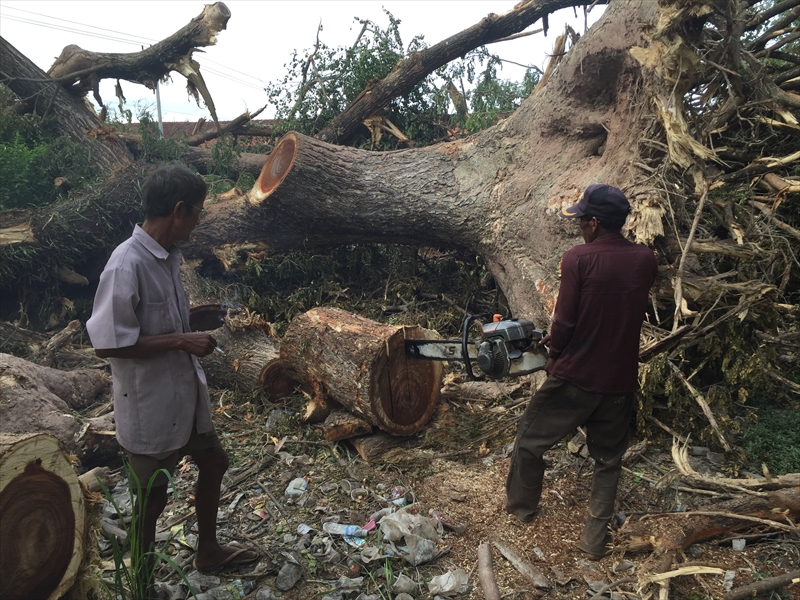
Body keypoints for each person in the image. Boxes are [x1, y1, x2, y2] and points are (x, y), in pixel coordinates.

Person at [86, 162, 259, 584]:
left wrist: (197, 320)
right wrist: (182, 341)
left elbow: (158, 321)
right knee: (151, 499)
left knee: (214, 462)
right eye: (198, 211)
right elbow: (107, 342)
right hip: (150, 405)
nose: (200, 220)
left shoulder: (169, 256)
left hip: (184, 394)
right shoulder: (126, 264)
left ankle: (208, 551)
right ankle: (142, 583)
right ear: (178, 210)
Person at [505, 184, 658, 558]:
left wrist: (554, 355)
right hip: (620, 379)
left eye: (581, 220)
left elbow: (566, 320)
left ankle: (521, 509)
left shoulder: (578, 258)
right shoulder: (645, 259)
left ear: (594, 222)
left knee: (529, 441)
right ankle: (593, 542)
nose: (578, 227)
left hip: (576, 376)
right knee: (608, 460)